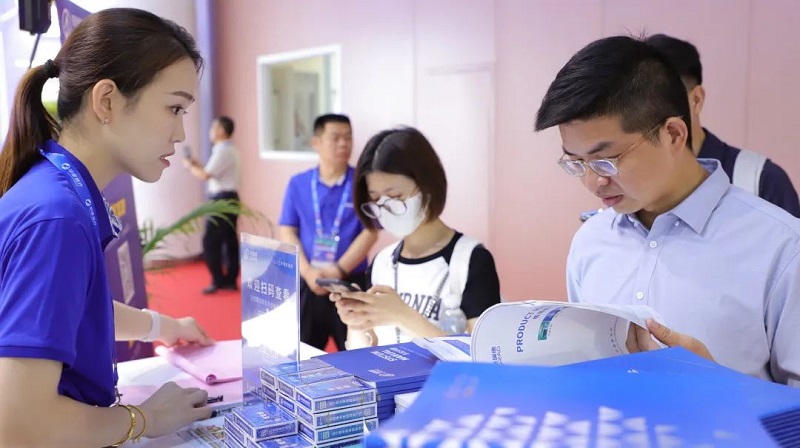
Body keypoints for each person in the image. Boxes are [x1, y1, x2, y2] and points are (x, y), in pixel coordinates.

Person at [0, 8, 218, 446]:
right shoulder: (58, 218)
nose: (180, 133)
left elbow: (73, 310)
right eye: (174, 108)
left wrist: (165, 327)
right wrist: (144, 419)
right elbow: (19, 425)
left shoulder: (53, 188)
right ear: (107, 101)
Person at [534, 35, 799, 386]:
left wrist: (721, 387)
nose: (594, 182)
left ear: (673, 134)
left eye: (606, 160)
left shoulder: (781, 248)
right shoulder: (590, 242)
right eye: (576, 163)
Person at [330, 127, 502, 349]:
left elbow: (483, 356)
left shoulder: (471, 260)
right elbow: (362, 352)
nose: (385, 207)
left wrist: (403, 316)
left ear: (427, 187)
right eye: (375, 199)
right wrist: (356, 323)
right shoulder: (382, 262)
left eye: (395, 196)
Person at [646, 33, 800, 217]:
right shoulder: (627, 186)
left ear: (696, 99)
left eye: (661, 100)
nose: (647, 114)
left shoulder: (760, 180)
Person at [278, 114, 378, 351]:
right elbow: (287, 230)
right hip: (309, 281)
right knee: (302, 354)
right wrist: (307, 272)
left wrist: (338, 270)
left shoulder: (363, 184)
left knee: (356, 354)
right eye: (336, 137)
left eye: (348, 137)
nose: (344, 143)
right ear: (316, 143)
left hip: (350, 283)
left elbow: (370, 231)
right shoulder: (299, 183)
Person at [184, 116, 242, 294]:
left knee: (210, 241)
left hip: (221, 200)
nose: (210, 132)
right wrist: (197, 164)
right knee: (229, 240)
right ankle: (229, 279)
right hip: (229, 197)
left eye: (213, 128)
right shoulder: (228, 150)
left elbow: (205, 175)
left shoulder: (223, 151)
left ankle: (219, 279)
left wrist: (189, 167)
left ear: (221, 131)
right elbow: (211, 172)